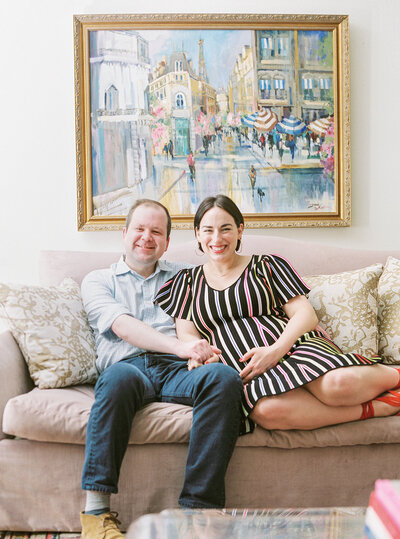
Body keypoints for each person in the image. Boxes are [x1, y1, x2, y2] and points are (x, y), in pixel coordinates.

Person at [155, 194, 400, 434]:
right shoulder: (185, 282)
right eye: (208, 230)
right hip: (245, 370)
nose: (216, 238)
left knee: (335, 387)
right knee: (267, 411)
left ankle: (396, 375)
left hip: (291, 347)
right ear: (197, 233)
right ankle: (380, 407)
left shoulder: (266, 265)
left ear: (240, 230)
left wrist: (275, 351)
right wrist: (198, 354)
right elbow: (186, 333)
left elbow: (305, 315)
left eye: (226, 228)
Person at [79, 199, 243, 538]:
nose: (147, 237)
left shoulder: (187, 275)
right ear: (124, 234)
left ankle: (198, 513)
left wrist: (200, 352)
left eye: (157, 231)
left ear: (167, 241)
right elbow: (123, 326)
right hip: (127, 367)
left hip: (178, 370)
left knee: (224, 378)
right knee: (115, 383)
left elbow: (216, 311)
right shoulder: (98, 280)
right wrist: (181, 346)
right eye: (139, 229)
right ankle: (96, 515)